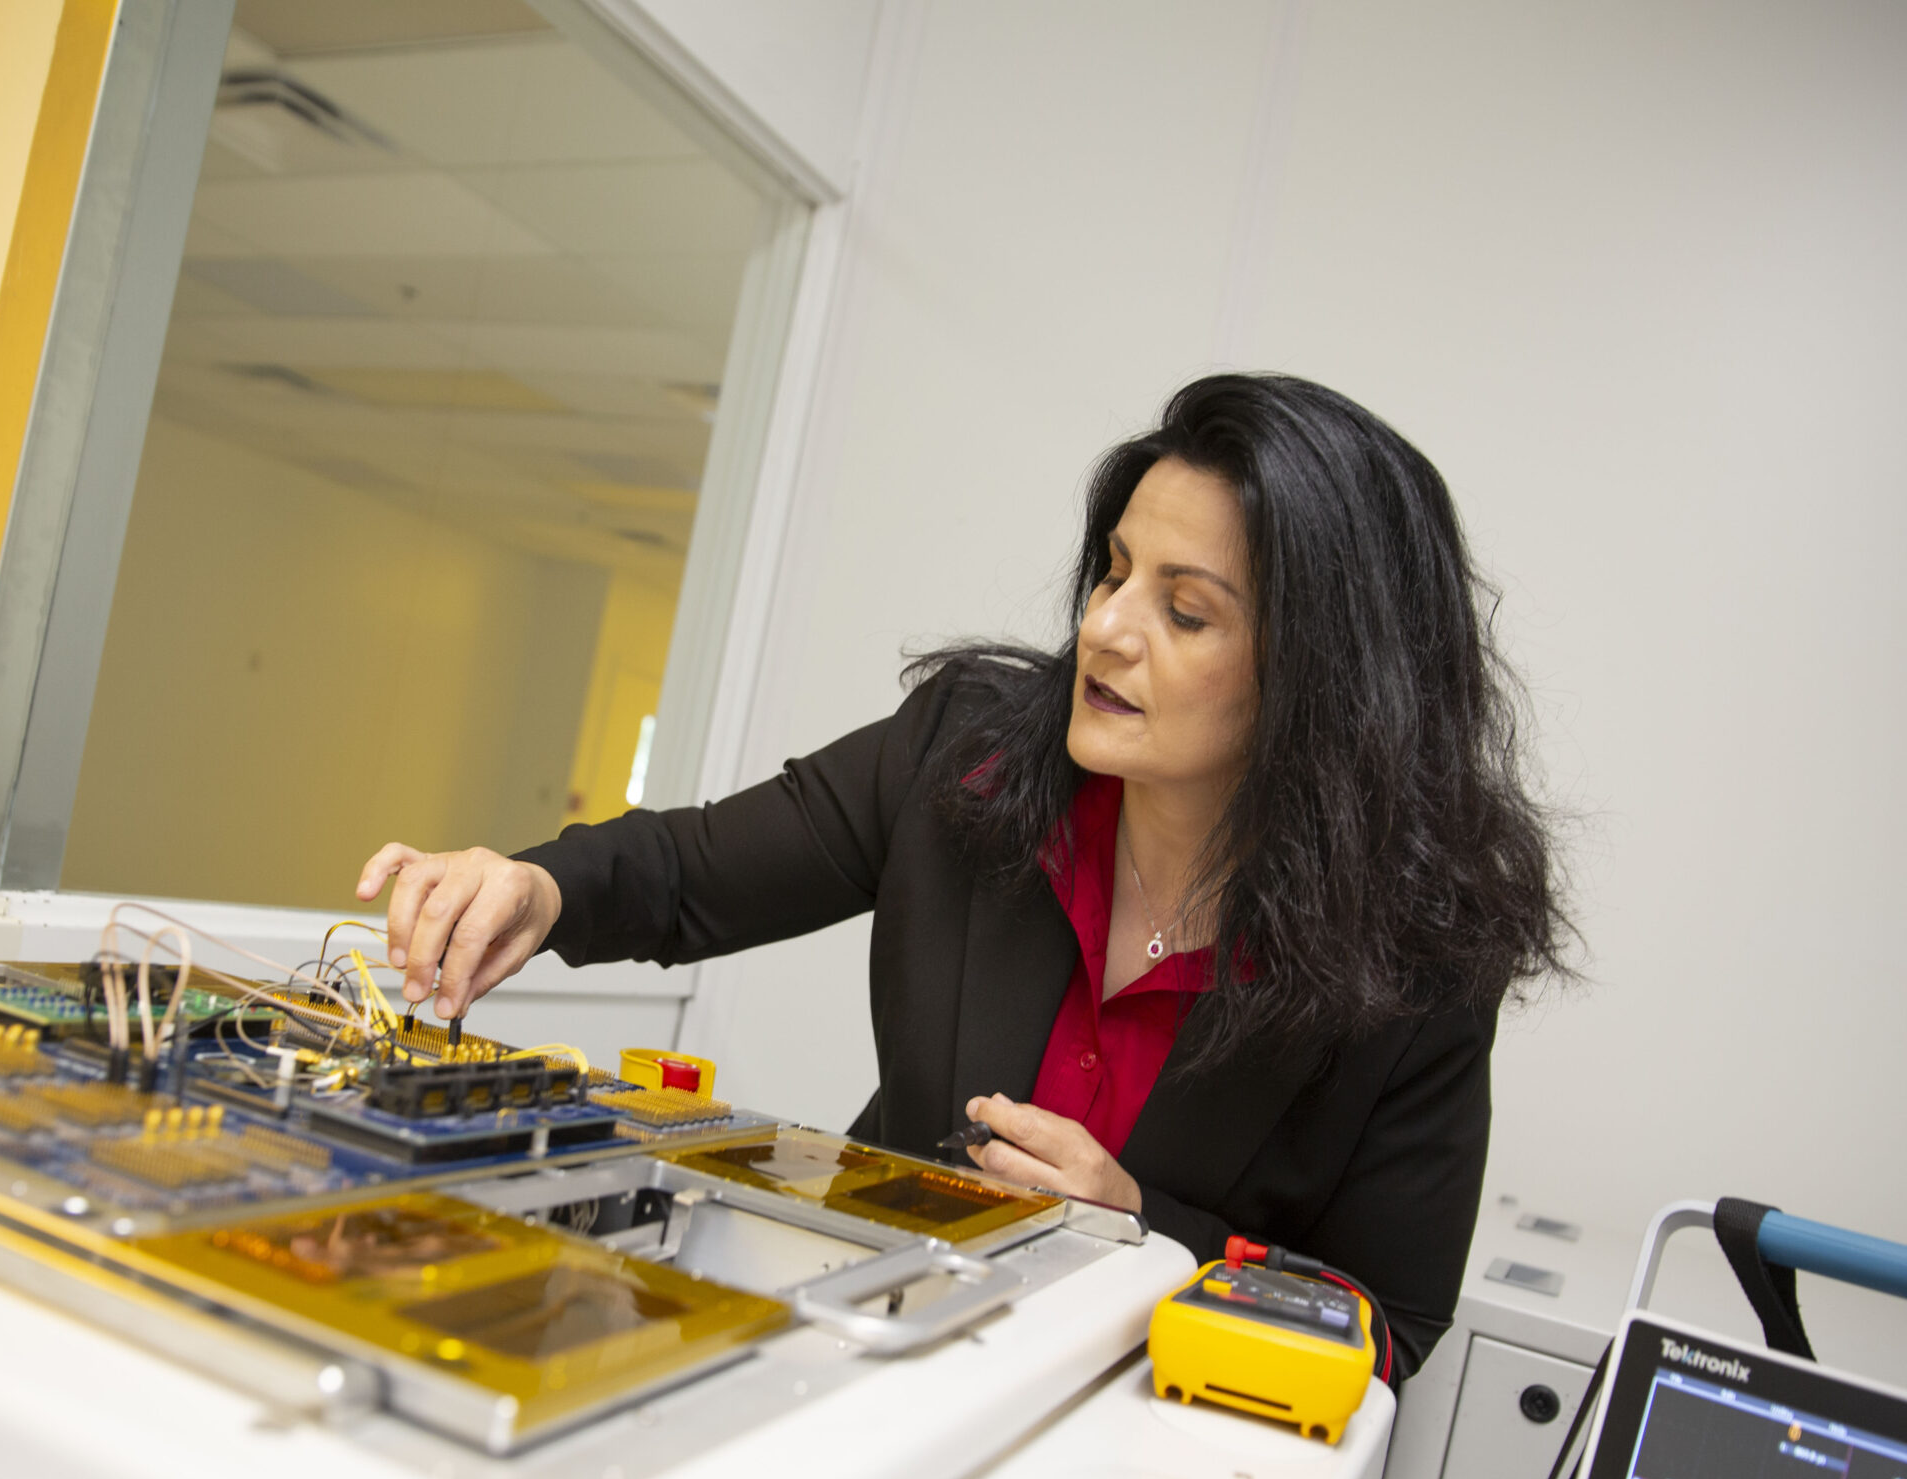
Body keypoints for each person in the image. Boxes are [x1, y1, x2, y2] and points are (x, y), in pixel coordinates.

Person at [355, 373, 1567, 1379]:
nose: (1105, 627)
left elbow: (1389, 1324)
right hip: (860, 1351)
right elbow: (689, 870)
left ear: (1323, 680)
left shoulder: (1419, 962)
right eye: (1113, 570)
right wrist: (536, 887)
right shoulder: (968, 755)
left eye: (1185, 612)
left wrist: (1146, 1231)